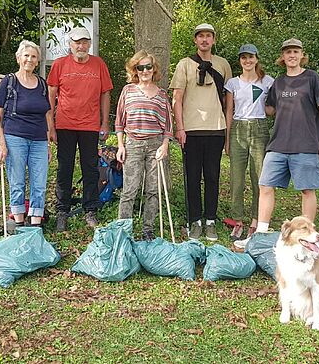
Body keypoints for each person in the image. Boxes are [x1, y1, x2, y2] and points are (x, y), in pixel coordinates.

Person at [234, 38, 319, 249]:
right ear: (283, 56)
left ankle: (306, 236)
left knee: (307, 190)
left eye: (296, 51)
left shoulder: (312, 78)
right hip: (278, 144)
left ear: (301, 55)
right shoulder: (278, 82)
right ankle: (260, 235)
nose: (292, 55)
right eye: (288, 52)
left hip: (306, 145)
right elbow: (270, 109)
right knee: (265, 185)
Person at [169, 23, 232, 241]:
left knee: (213, 176)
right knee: (192, 177)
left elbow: (227, 101)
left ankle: (211, 220)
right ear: (195, 40)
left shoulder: (223, 64)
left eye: (208, 36)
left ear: (214, 40)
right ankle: (194, 221)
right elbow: (177, 98)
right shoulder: (184, 65)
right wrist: (180, 127)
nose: (204, 40)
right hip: (191, 129)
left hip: (216, 127)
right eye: (200, 36)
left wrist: (228, 131)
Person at [47, 27, 113, 231]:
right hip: (65, 124)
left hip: (90, 125)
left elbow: (105, 94)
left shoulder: (99, 64)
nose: (81, 46)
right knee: (64, 168)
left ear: (89, 44)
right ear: (70, 44)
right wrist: (50, 126)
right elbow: (50, 95)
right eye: (77, 42)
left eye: (85, 42)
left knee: (91, 168)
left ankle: (90, 209)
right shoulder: (59, 65)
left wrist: (104, 123)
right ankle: (62, 211)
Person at [0, 40, 54, 228]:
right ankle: (19, 224)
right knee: (17, 183)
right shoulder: (9, 82)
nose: (30, 59)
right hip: (15, 138)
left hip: (39, 141)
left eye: (33, 56)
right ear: (19, 58)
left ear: (37, 61)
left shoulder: (42, 84)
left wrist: (48, 144)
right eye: (26, 55)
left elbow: (46, 114)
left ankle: (35, 226)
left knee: (39, 184)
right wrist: (2, 144)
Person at [115, 50, 173, 240]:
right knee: (129, 189)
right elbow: (119, 121)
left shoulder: (162, 94)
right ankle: (123, 231)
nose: (145, 70)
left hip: (156, 145)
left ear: (153, 69)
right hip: (133, 144)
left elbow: (168, 125)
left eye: (149, 66)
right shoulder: (127, 90)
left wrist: (165, 145)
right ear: (135, 70)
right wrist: (121, 145)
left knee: (153, 190)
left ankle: (148, 230)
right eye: (141, 67)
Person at [224, 44, 274, 239]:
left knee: (259, 178)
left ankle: (256, 220)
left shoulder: (268, 82)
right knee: (237, 178)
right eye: (243, 58)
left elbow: (273, 107)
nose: (247, 61)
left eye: (251, 57)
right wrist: (227, 138)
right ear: (240, 61)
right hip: (238, 128)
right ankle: (237, 220)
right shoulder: (233, 83)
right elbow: (229, 110)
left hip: (259, 128)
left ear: (256, 59)